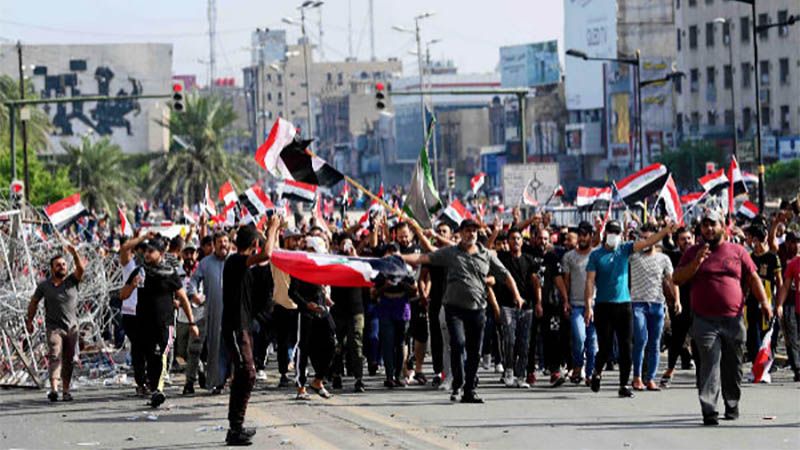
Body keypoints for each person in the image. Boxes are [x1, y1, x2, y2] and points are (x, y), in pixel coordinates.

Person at [402, 219, 524, 404]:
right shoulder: (451, 253)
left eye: (474, 231)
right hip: (454, 310)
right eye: (468, 231)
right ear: (461, 233)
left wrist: (517, 295)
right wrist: (400, 258)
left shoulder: (486, 254)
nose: (471, 234)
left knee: (475, 352)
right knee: (458, 344)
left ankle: (469, 390)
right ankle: (458, 382)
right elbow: (424, 258)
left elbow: (505, 275)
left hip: (477, 310)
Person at [673, 210, 772, 425]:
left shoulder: (738, 251)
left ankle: (732, 403)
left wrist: (765, 303)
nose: (709, 228)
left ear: (723, 226)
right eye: (705, 225)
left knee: (733, 365)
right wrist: (696, 263)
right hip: (704, 320)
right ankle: (709, 409)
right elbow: (677, 278)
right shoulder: (692, 253)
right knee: (709, 363)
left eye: (713, 224)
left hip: (733, 320)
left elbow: (753, 277)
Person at [584, 219, 676, 398]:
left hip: (624, 305)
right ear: (606, 234)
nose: (614, 235)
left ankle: (624, 385)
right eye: (611, 231)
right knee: (605, 346)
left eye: (617, 232)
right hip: (603, 305)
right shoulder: (596, 255)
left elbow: (649, 242)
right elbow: (589, 281)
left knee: (626, 346)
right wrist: (589, 305)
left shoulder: (624, 249)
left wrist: (665, 231)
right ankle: (596, 372)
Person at [119, 237, 199, 408]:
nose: (146, 254)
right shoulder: (139, 272)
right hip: (143, 324)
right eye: (146, 251)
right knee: (150, 358)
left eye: (151, 251)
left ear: (161, 254)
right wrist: (132, 286)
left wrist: (192, 323)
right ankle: (154, 389)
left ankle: (160, 389)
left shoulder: (170, 273)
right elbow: (122, 295)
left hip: (166, 324)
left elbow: (183, 298)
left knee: (163, 355)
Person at [222, 218, 280, 446]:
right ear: (254, 243)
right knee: (248, 373)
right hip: (236, 327)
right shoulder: (235, 261)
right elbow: (266, 255)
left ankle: (236, 426)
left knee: (245, 374)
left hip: (243, 326)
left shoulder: (244, 265)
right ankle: (235, 427)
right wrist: (273, 228)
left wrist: (271, 233)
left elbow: (266, 258)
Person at [26, 243, 84, 402]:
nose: (62, 267)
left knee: (69, 359)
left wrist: (75, 253)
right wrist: (29, 321)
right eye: (58, 265)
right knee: (55, 354)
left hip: (71, 327)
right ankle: (54, 389)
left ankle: (66, 390)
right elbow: (34, 302)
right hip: (54, 328)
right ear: (52, 268)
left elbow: (81, 270)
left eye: (64, 264)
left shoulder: (72, 281)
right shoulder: (44, 285)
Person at [629, 223, 678, 391]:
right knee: (641, 340)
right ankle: (636, 377)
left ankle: (650, 378)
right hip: (638, 304)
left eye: (650, 238)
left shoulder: (664, 259)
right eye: (644, 238)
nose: (647, 241)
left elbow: (671, 280)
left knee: (655, 343)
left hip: (657, 304)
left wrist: (677, 300)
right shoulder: (633, 257)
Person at [289, 235, 337, 401]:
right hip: (306, 313)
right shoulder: (299, 267)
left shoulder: (320, 266)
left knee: (332, 343)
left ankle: (318, 380)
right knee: (304, 348)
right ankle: (301, 386)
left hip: (322, 311)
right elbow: (292, 292)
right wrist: (306, 304)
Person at [495, 228, 539, 388]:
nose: (516, 241)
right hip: (507, 306)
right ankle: (509, 371)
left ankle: (521, 375)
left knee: (524, 342)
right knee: (509, 340)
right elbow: (486, 249)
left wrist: (538, 302)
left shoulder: (529, 260)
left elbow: (536, 283)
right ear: (508, 241)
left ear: (522, 241)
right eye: (512, 238)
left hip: (527, 307)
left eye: (518, 238)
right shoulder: (502, 258)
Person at [374, 243, 417, 388]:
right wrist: (386, 285)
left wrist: (403, 283)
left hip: (402, 308)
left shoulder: (407, 270)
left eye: (395, 252)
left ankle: (398, 374)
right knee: (387, 343)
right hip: (386, 307)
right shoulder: (381, 271)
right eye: (389, 252)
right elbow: (373, 293)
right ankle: (389, 376)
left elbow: (414, 291)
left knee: (400, 344)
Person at [561, 221, 598, 385]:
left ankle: (590, 373)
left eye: (585, 235)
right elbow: (566, 281)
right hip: (576, 305)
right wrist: (566, 301)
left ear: (591, 236)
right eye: (580, 235)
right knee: (579, 337)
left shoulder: (596, 255)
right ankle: (577, 365)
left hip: (596, 304)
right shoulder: (569, 257)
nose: (582, 238)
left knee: (593, 342)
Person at [330, 233, 367, 393]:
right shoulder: (333, 261)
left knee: (356, 344)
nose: (347, 247)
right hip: (338, 310)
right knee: (337, 345)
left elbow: (366, 273)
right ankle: (336, 374)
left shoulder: (358, 262)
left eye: (350, 244)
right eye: (344, 244)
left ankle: (359, 379)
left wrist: (355, 257)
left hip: (356, 310)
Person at [660, 226, 696, 387]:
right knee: (677, 339)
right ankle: (670, 370)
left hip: (698, 303)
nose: (687, 242)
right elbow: (669, 280)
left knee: (699, 339)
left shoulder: (700, 255)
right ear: (676, 242)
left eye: (689, 238)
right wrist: (673, 300)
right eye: (683, 239)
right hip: (679, 304)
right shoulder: (672, 257)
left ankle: (702, 375)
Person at [419, 221, 453, 388]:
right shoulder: (431, 254)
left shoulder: (456, 252)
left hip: (454, 302)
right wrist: (423, 293)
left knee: (455, 340)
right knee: (437, 339)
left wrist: (433, 235)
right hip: (436, 301)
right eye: (439, 231)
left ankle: (456, 372)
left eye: (444, 231)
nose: (440, 234)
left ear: (450, 235)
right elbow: (423, 275)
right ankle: (439, 372)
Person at [118, 232, 151, 397]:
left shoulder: (150, 268)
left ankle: (150, 380)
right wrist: (143, 237)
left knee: (149, 348)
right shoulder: (129, 265)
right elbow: (124, 248)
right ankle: (141, 382)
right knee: (138, 348)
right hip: (131, 314)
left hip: (147, 313)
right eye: (140, 249)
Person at [745, 225, 782, 366]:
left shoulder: (773, 258)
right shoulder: (749, 257)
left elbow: (779, 282)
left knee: (767, 333)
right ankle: (757, 365)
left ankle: (766, 365)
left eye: (749, 238)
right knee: (752, 335)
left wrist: (778, 304)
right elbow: (746, 281)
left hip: (768, 301)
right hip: (752, 301)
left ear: (755, 239)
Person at [271, 228, 303, 388]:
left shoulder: (301, 258)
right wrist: (274, 228)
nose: (297, 243)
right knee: (283, 342)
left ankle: (299, 372)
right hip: (282, 306)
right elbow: (272, 246)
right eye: (293, 239)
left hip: (299, 306)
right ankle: (283, 373)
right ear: (286, 240)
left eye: (298, 240)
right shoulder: (278, 257)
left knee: (299, 341)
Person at [776, 232, 800, 382]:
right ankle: (798, 369)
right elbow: (785, 286)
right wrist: (779, 304)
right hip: (796, 308)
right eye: (795, 242)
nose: (797, 245)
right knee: (794, 339)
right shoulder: (793, 265)